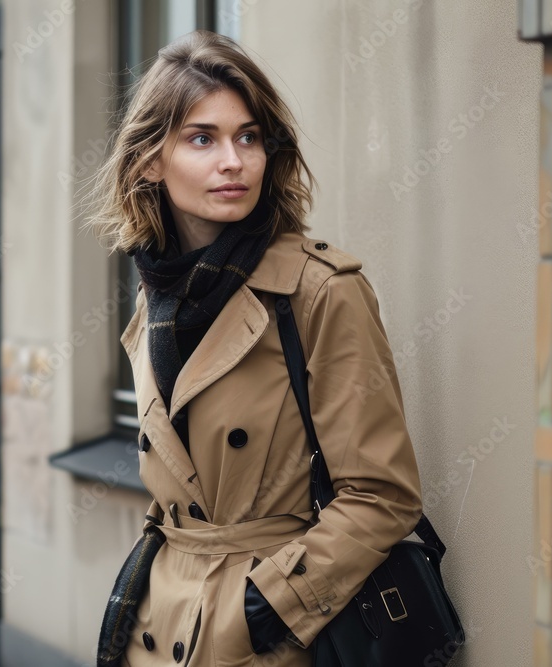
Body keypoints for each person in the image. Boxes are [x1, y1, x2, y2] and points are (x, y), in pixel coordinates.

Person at [84, 29, 423, 667]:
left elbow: (384, 495)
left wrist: (263, 607)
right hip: (155, 629)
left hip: (264, 637)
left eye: (248, 136)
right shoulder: (153, 298)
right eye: (201, 138)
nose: (233, 160)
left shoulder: (319, 291)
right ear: (151, 160)